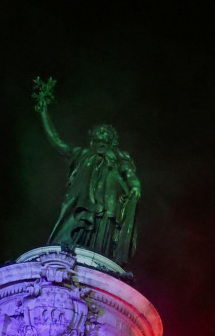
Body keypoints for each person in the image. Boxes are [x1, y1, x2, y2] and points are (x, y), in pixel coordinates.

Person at [34, 78, 141, 264]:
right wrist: (44, 112)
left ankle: (100, 258)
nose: (102, 134)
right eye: (99, 131)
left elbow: (129, 174)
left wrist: (135, 185)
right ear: (92, 137)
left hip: (108, 206)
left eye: (106, 132)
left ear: (112, 139)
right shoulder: (81, 154)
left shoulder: (119, 156)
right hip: (80, 202)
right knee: (72, 226)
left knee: (101, 236)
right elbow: (56, 141)